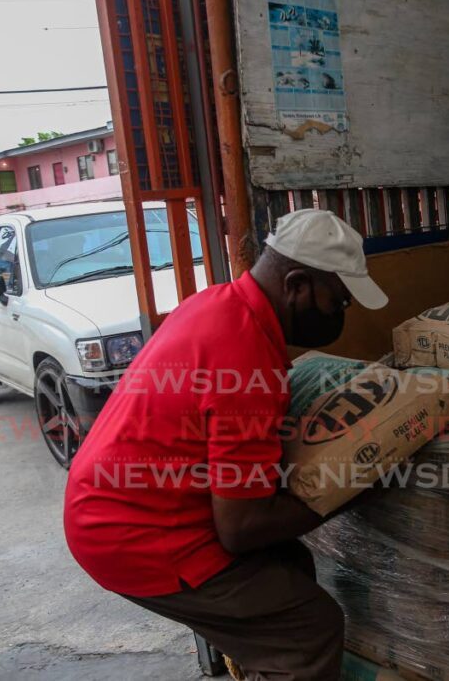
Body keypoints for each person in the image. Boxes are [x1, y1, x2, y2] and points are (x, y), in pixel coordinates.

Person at [64, 209, 388, 680]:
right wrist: (354, 486)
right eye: (338, 301)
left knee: (290, 565)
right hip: (134, 535)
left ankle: (263, 664)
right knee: (308, 628)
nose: (341, 314)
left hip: (112, 505)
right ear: (297, 284)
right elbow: (242, 528)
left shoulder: (217, 302)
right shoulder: (244, 362)